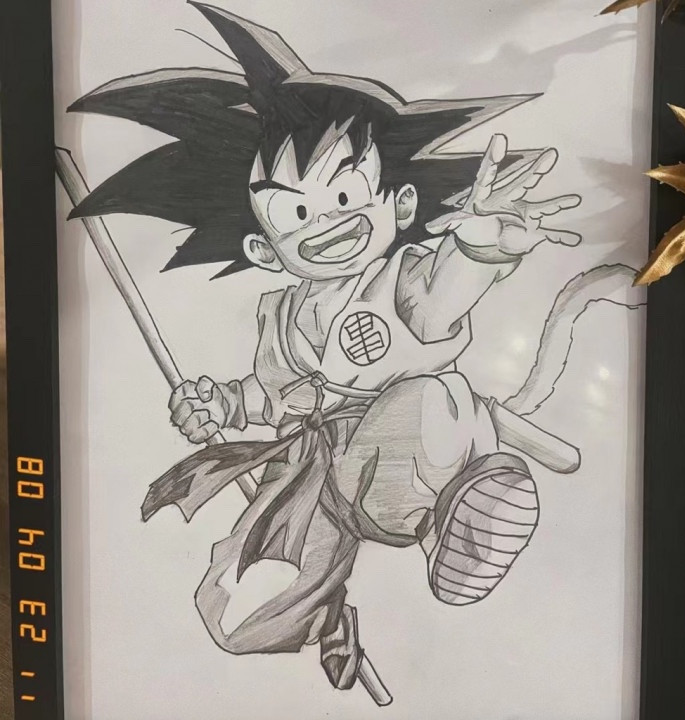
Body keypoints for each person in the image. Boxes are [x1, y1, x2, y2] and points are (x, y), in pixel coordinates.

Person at [70, 2, 583, 694]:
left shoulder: (401, 283)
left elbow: (446, 296)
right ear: (265, 248)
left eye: (346, 196)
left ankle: (459, 524)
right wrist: (218, 406)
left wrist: (480, 247)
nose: (328, 222)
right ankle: (327, 617)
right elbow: (266, 397)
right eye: (298, 212)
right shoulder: (279, 321)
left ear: (400, 207)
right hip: (319, 485)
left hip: (403, 463)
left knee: (424, 402)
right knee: (235, 613)